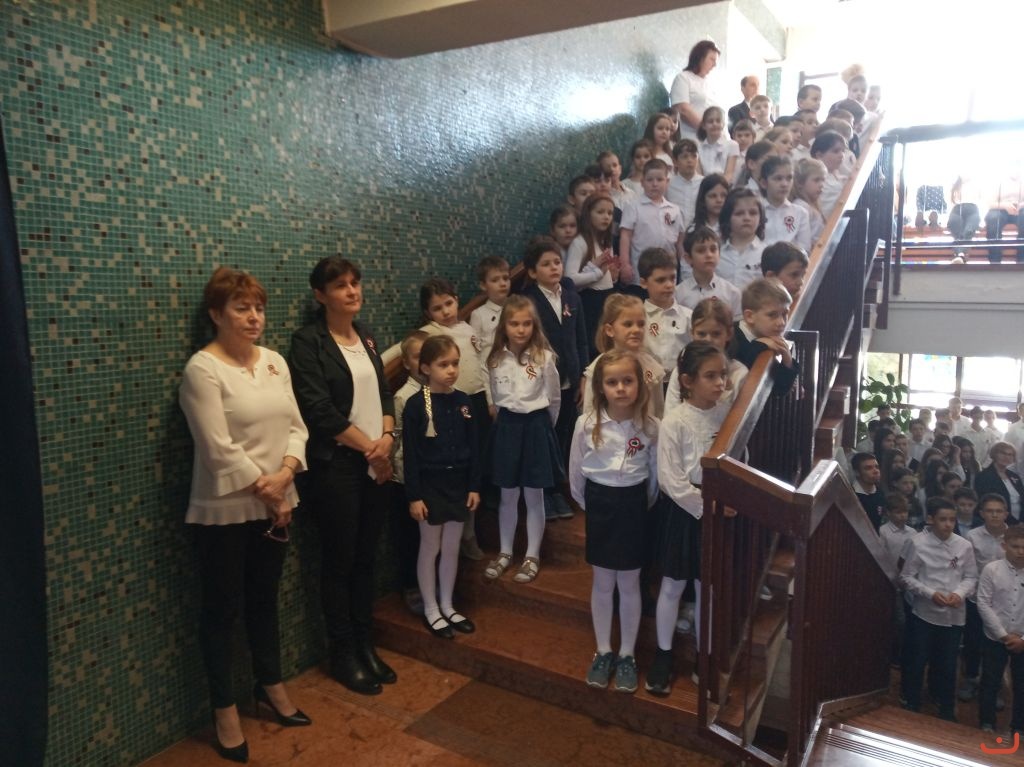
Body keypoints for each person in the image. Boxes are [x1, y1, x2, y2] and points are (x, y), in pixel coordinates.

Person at [180, 268, 311, 761]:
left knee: (264, 600)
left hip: (277, 501)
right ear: (217, 314)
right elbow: (217, 448)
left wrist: (286, 476)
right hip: (225, 511)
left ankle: (270, 685)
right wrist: (272, 492)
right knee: (221, 610)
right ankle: (225, 711)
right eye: (242, 308)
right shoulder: (203, 369)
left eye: (258, 307)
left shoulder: (275, 361)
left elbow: (297, 427)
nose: (254, 317)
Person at [289, 256, 397, 697]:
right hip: (337, 467)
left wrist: (387, 437)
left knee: (366, 558)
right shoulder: (308, 342)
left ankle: (365, 644)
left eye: (355, 282)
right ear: (321, 295)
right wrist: (371, 447)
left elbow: (384, 392)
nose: (352, 291)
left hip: (376, 461)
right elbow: (318, 410)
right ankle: (343, 653)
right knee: (340, 562)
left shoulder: (365, 335)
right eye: (340, 286)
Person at [570, 351, 660, 693]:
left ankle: (627, 655)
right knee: (604, 581)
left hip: (634, 505)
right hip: (601, 504)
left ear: (639, 385)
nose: (620, 388)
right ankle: (604, 650)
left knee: (630, 582)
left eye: (627, 381)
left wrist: (640, 505)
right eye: (612, 382)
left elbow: (654, 478)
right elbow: (576, 472)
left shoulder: (650, 427)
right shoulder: (586, 424)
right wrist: (590, 505)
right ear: (600, 387)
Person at [646, 342, 731, 695]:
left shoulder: (727, 416)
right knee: (673, 584)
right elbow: (670, 478)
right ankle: (663, 654)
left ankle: (704, 655)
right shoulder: (675, 421)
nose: (720, 382)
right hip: (684, 512)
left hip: (719, 508)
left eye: (723, 374)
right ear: (688, 381)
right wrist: (703, 505)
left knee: (706, 587)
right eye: (710, 376)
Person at [403, 335, 481, 639]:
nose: (451, 370)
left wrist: (473, 486)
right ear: (425, 368)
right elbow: (410, 454)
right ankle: (431, 607)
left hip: (458, 484)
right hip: (430, 486)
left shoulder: (464, 402)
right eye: (443, 364)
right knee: (430, 546)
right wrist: (414, 496)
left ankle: (448, 604)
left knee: (451, 546)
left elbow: (474, 448)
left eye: (455, 364)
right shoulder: (415, 405)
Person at [483, 296, 562, 584]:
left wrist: (542, 430)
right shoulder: (494, 359)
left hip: (536, 426)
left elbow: (554, 399)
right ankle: (505, 552)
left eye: (527, 323)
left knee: (533, 494)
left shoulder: (544, 357)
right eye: (514, 323)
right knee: (507, 495)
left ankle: (532, 555)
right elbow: (495, 396)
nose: (521, 329)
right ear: (504, 326)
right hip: (507, 427)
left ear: (534, 325)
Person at [419, 278, 488, 557]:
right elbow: (402, 350)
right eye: (437, 308)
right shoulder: (429, 333)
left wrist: (490, 399)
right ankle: (459, 534)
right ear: (428, 313)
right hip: (450, 404)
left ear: (457, 300)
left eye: (449, 303)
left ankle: (470, 531)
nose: (446, 311)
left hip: (478, 401)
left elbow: (481, 364)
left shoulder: (468, 328)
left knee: (476, 464)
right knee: (456, 468)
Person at [521, 236, 589, 520]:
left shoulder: (572, 296)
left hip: (570, 378)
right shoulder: (527, 301)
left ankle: (559, 489)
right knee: (543, 438)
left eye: (557, 262)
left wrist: (583, 375)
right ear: (532, 271)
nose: (554, 268)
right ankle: (544, 492)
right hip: (541, 381)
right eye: (546, 264)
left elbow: (581, 339)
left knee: (564, 434)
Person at [900, 497, 978, 721]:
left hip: (954, 614)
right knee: (918, 658)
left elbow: (971, 577)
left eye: (952, 520)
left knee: (947, 662)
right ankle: (911, 700)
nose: (948, 524)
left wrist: (959, 594)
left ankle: (945, 706)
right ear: (931, 519)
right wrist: (930, 593)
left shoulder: (963, 545)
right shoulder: (918, 543)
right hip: (925, 612)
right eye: (943, 519)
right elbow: (906, 577)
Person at [390, 331, 428, 615]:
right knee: (409, 537)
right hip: (406, 477)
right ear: (406, 363)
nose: (424, 362)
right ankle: (411, 584)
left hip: (433, 476)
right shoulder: (403, 397)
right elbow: (397, 440)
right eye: (417, 357)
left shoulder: (442, 392)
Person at [581, 294, 665, 418]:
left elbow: (659, 410)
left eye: (641, 324)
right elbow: (590, 411)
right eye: (628, 324)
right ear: (610, 330)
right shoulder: (599, 367)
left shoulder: (652, 367)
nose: (636, 330)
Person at [960, 494, 1009, 703]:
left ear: (1006, 513)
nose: (994, 515)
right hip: (976, 598)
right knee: (973, 641)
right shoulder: (972, 536)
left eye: (998, 511)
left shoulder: (1013, 536)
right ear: (981, 513)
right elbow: (967, 569)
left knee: (997, 645)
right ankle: (971, 678)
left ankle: (994, 686)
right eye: (990, 511)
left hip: (1004, 601)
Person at [976, 525, 1024, 734]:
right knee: (990, 681)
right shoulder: (991, 569)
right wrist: (1003, 635)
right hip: (995, 637)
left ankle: (1019, 727)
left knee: (1022, 685)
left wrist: (1022, 639)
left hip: (1022, 640)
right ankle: (986, 723)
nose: (1021, 551)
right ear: (1004, 546)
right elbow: (983, 603)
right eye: (1015, 546)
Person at [666, 298, 749, 411]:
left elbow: (740, 417)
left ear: (729, 334)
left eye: (716, 334)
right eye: (701, 334)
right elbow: (670, 412)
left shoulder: (739, 374)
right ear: (692, 333)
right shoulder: (680, 370)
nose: (708, 340)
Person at [565, 194, 619, 355]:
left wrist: (613, 275)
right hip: (590, 301)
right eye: (600, 212)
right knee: (593, 346)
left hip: (607, 297)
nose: (606, 217)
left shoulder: (606, 241)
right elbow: (569, 279)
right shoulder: (579, 242)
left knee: (608, 346)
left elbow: (605, 275)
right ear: (588, 214)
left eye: (609, 213)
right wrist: (597, 273)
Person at [618, 159, 685, 287]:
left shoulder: (675, 210)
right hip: (642, 270)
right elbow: (625, 236)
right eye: (650, 180)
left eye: (659, 180)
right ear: (642, 182)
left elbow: (679, 242)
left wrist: (685, 266)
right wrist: (625, 264)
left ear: (667, 182)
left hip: (668, 270)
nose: (655, 184)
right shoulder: (633, 207)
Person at [729, 279, 800, 397]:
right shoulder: (731, 337)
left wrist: (787, 361)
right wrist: (759, 345)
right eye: (772, 315)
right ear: (750, 316)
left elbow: (780, 390)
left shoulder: (773, 339)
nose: (781, 322)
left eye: (784, 314)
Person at [639, 248, 692, 378]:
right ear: (644, 283)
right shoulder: (637, 317)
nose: (669, 285)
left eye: (672, 278)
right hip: (646, 382)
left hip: (679, 383)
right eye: (661, 280)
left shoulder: (688, 316)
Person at [675, 226, 742, 319]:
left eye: (713, 249)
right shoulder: (678, 294)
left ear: (719, 254)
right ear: (688, 258)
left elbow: (737, 325)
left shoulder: (732, 293)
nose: (709, 255)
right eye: (701, 250)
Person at [879, 492, 914, 662]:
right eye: (898, 512)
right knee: (898, 620)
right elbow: (883, 556)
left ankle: (905, 652)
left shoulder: (912, 532)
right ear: (888, 513)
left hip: (910, 580)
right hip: (892, 581)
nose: (902, 515)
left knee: (909, 617)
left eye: (905, 512)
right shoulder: (884, 531)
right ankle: (895, 654)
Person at [670, 40, 721, 142]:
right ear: (700, 58)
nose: (715, 64)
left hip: (715, 141)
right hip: (694, 140)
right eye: (712, 59)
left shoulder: (711, 82)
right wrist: (706, 131)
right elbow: (683, 110)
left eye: (716, 61)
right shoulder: (683, 78)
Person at [759, 156, 811, 252]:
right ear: (764, 183)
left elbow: (804, 248)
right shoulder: (756, 211)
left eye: (789, 178)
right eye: (778, 178)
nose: (785, 184)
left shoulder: (800, 213)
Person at [718, 188, 766, 290]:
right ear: (727, 218)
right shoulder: (717, 252)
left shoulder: (766, 253)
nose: (746, 218)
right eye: (739, 213)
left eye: (753, 213)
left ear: (761, 219)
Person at [975, 442, 1024, 523]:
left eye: (1010, 454)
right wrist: (1014, 522)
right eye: (1003, 453)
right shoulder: (983, 476)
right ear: (994, 454)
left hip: (1020, 522)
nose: (1006, 457)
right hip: (997, 521)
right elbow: (985, 501)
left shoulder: (1014, 476)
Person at [984, 172, 1024, 263]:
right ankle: (995, 259)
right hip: (1000, 209)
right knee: (993, 218)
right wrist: (1005, 206)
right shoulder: (998, 183)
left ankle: (1022, 259)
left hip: (1021, 210)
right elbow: (990, 203)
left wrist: (1021, 206)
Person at [810, 131, 848, 219]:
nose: (841, 155)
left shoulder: (839, 178)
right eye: (836, 151)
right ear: (819, 155)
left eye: (843, 151)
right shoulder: (813, 178)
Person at [666, 139, 703, 228]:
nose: (690, 160)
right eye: (685, 157)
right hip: (674, 230)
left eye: (694, 156)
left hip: (699, 230)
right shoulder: (668, 185)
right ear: (675, 161)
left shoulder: (704, 183)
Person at [696, 106, 738, 180]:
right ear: (704, 125)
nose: (714, 124)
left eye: (718, 121)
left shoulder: (732, 145)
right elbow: (699, 175)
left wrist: (719, 187)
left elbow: (729, 174)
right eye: (710, 121)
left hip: (725, 185)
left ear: (723, 124)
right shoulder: (698, 148)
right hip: (704, 185)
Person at [947, 175, 981, 263]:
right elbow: (950, 201)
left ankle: (959, 254)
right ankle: (961, 255)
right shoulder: (954, 185)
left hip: (972, 209)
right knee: (955, 226)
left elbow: (982, 199)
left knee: (969, 230)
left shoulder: (976, 184)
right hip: (957, 209)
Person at [793, 158, 827, 244]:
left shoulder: (813, 205)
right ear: (800, 183)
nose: (821, 185)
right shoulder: (800, 206)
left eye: (823, 180)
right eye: (816, 180)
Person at [850, 452, 885, 530]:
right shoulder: (850, 496)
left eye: (877, 467)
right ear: (857, 472)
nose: (875, 471)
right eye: (868, 468)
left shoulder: (881, 494)